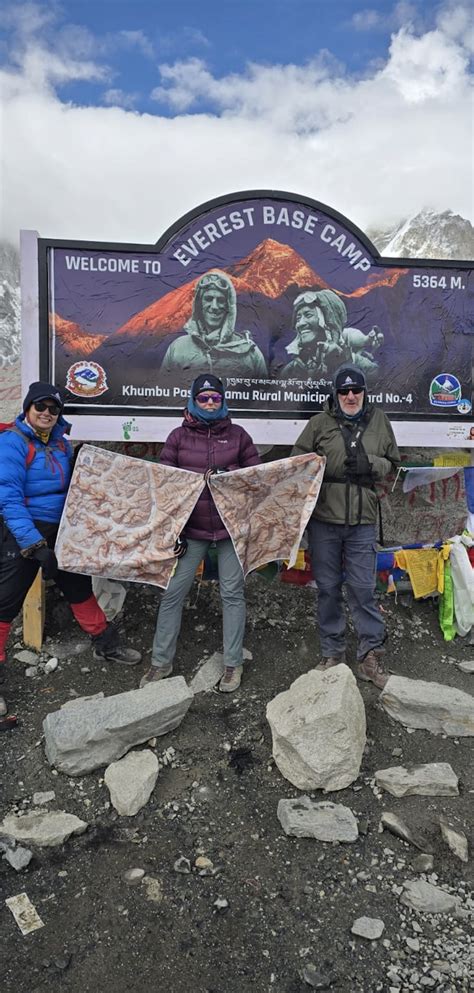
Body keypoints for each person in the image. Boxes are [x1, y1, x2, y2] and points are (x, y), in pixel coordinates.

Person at [0, 381, 141, 722]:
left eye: (53, 408)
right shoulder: (13, 442)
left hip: (62, 530)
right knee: (4, 604)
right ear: (28, 408)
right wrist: (34, 545)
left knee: (78, 587)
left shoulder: (61, 443)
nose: (47, 413)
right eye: (40, 406)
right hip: (23, 532)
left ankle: (105, 643)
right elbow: (8, 497)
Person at [140, 374, 260, 693]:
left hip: (229, 529)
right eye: (203, 398)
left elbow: (256, 477)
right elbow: (165, 488)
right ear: (193, 400)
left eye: (215, 398)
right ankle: (161, 661)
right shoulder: (178, 438)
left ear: (223, 400)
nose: (209, 403)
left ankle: (233, 663)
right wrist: (173, 531)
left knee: (232, 594)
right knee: (172, 593)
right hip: (191, 531)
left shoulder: (238, 436)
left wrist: (228, 475)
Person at [291, 364, 400, 689]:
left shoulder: (379, 420)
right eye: (344, 391)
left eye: (356, 390)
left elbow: (394, 465)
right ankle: (333, 653)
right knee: (327, 589)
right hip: (324, 520)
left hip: (362, 521)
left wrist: (371, 464)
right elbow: (298, 463)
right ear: (335, 394)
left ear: (364, 392)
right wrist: (322, 469)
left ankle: (370, 656)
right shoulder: (318, 423)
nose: (350, 396)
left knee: (363, 589)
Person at [160, 271, 267, 378]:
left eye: (220, 300)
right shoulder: (178, 348)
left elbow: (263, 388)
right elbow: (163, 387)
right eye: (208, 299)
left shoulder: (250, 353)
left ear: (229, 306)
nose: (214, 306)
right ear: (199, 304)